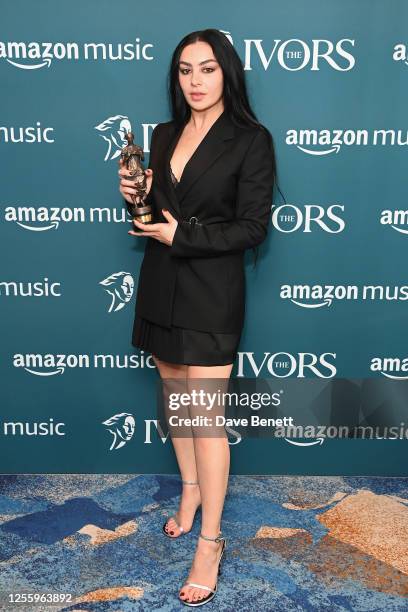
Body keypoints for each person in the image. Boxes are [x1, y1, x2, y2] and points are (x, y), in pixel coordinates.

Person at [119, 28, 277, 607]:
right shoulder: (162, 134)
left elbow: (252, 227)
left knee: (206, 420)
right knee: (173, 394)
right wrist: (133, 195)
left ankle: (210, 542)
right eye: (185, 70)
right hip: (161, 285)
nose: (196, 81)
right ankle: (188, 493)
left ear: (227, 74)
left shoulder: (250, 140)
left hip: (212, 293)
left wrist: (179, 233)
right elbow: (155, 212)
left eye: (207, 69)